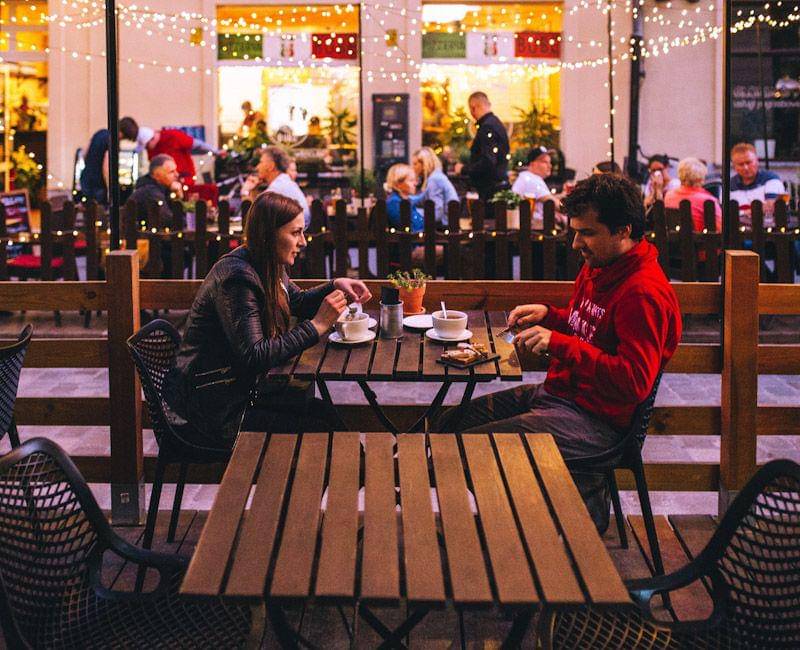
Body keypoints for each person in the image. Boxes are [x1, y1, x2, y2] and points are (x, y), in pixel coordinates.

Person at [435, 173, 682, 532]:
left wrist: (558, 343)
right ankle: (516, 522)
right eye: (575, 231)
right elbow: (591, 327)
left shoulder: (642, 293)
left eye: (587, 233)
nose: (576, 243)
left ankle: (526, 530)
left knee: (471, 450)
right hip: (561, 396)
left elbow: (634, 382)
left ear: (623, 231)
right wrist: (551, 316)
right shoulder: (600, 265)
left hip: (598, 423)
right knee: (449, 424)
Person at [163, 191, 372, 447]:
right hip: (212, 411)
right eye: (295, 233)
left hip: (236, 393)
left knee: (325, 415)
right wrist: (317, 325)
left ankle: (364, 471)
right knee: (321, 430)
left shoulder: (265, 262)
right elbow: (256, 355)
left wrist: (334, 285)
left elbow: (296, 301)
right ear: (268, 234)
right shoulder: (236, 278)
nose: (303, 242)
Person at [454, 91, 510, 202]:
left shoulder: (487, 127)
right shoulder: (497, 124)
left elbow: (488, 162)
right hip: (498, 188)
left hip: (489, 191)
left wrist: (463, 169)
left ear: (473, 107)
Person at [241, 146, 310, 226]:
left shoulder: (275, 190)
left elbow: (252, 223)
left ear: (271, 166)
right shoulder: (284, 182)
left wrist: (245, 192)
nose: (257, 167)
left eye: (261, 162)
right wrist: (254, 190)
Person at [79, 116, 139, 205]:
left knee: (88, 208)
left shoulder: (100, 133)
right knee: (100, 210)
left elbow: (84, 153)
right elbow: (106, 166)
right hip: (99, 184)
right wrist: (109, 188)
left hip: (86, 178)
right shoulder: (113, 141)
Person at [730, 142, 786, 227]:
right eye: (741, 164)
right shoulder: (729, 185)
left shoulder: (771, 179)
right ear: (734, 166)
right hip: (737, 230)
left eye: (748, 162)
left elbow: (771, 207)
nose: (746, 167)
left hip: (768, 229)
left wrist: (741, 213)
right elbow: (723, 211)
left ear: (757, 161)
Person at [664, 157, 722, 232]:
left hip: (673, 238)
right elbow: (721, 227)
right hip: (701, 238)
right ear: (701, 178)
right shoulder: (708, 200)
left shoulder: (669, 196)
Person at [128, 154, 183, 223]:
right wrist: (177, 199)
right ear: (157, 174)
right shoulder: (151, 192)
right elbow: (168, 221)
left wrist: (177, 196)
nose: (177, 174)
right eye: (171, 172)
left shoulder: (163, 189)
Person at [511, 146, 559, 225]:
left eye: (550, 162)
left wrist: (563, 194)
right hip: (533, 227)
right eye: (545, 162)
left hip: (528, 225)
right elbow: (555, 204)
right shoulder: (531, 180)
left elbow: (547, 197)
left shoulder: (526, 177)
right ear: (532, 164)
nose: (550, 166)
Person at [412, 147, 458, 224]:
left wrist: (414, 213)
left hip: (443, 225)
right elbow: (421, 198)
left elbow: (437, 213)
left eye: (415, 164)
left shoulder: (434, 180)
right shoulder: (435, 176)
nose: (413, 167)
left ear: (424, 164)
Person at [384, 163, 424, 232]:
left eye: (415, 180)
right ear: (398, 183)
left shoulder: (407, 200)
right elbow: (412, 230)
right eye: (411, 180)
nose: (415, 184)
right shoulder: (394, 203)